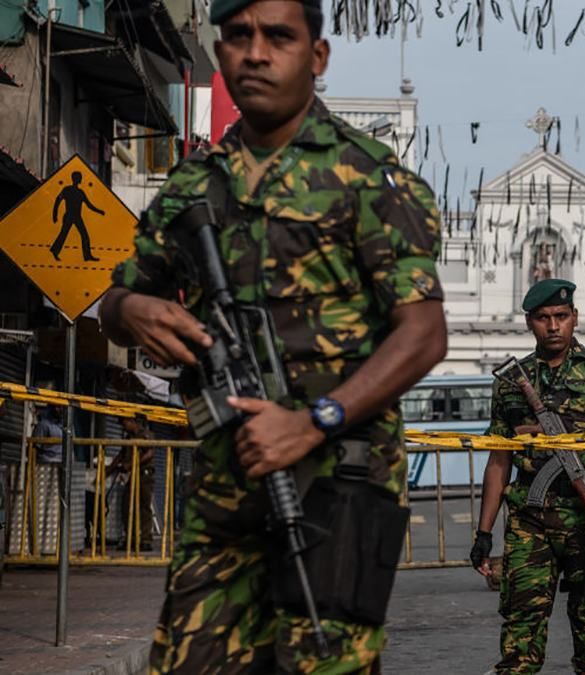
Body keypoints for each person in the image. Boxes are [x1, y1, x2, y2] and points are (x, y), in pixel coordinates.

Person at [99, 0, 448, 669]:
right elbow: (118, 296)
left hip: (336, 488)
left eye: (278, 36)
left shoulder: (370, 178)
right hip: (226, 488)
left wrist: (316, 419)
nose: (255, 53)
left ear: (316, 57)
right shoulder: (191, 186)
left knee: (319, 658)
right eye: (237, 37)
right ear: (221, 51)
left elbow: (424, 333)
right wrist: (130, 311)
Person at [469, 278, 585, 674]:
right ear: (529, 323)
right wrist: (484, 532)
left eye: (561, 316)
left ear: (575, 318)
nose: (553, 326)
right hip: (528, 522)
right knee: (520, 637)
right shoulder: (511, 383)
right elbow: (498, 461)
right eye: (543, 318)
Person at [115, 417, 157, 552]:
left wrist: (131, 464)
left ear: (132, 421)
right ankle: (131, 539)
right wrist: (107, 471)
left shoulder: (145, 435)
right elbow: (120, 456)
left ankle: (145, 539)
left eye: (124, 422)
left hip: (143, 475)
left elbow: (150, 453)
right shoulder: (128, 438)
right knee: (127, 507)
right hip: (131, 476)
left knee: (144, 507)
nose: (123, 426)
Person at [32, 405, 64, 556]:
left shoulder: (66, 426)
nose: (61, 409)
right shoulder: (43, 425)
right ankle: (43, 547)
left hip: (63, 469)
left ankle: (59, 547)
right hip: (46, 468)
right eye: (58, 407)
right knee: (46, 508)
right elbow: (33, 448)